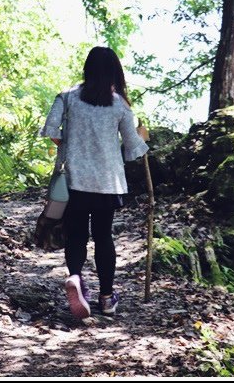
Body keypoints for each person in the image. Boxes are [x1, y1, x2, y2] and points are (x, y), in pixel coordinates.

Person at [38, 46, 149, 319]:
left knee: (76, 234)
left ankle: (75, 279)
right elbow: (133, 148)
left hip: (75, 180)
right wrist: (143, 137)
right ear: (114, 72)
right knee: (103, 237)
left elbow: (51, 129)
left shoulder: (67, 97)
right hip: (107, 183)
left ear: (87, 69)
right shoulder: (120, 105)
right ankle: (107, 298)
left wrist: (69, 146)